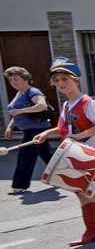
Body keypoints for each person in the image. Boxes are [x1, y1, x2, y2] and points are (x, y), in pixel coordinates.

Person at [32, 58, 95, 245]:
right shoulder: (67, 105)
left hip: (94, 151)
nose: (60, 84)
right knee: (84, 189)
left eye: (64, 79)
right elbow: (65, 129)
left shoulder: (87, 102)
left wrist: (81, 135)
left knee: (82, 189)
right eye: (57, 80)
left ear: (75, 80)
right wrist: (46, 133)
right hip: (78, 152)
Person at [4, 66, 54, 194]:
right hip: (30, 130)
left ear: (25, 79)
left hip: (36, 130)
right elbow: (16, 114)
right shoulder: (19, 94)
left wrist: (21, 110)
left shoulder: (32, 91)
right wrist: (10, 127)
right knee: (49, 156)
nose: (13, 82)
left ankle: (20, 185)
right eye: (10, 80)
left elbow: (42, 105)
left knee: (25, 156)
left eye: (16, 79)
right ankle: (67, 175)